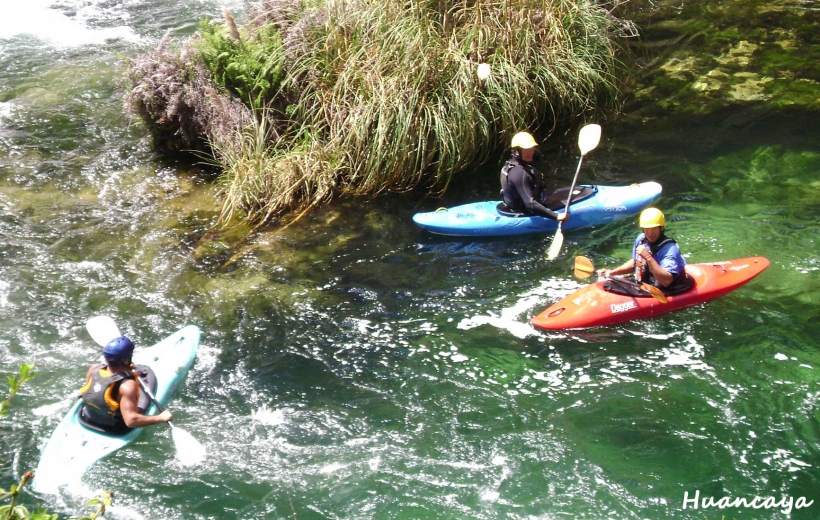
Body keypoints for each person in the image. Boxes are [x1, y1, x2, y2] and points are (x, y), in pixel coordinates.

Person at [79, 336, 172, 433]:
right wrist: (161, 418)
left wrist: (125, 369)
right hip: (113, 427)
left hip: (87, 417)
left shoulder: (94, 369)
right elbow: (131, 421)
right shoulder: (127, 386)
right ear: (125, 360)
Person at [597, 207, 692, 294]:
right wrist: (612, 272)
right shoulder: (641, 239)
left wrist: (648, 257)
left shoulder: (669, 249)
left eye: (654, 228)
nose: (650, 233)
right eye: (647, 229)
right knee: (609, 285)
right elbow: (635, 262)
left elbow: (666, 281)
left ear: (661, 228)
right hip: (647, 283)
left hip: (669, 289)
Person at [500, 131, 568, 221]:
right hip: (526, 210)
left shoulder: (513, 163)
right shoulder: (519, 173)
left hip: (515, 204)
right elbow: (530, 204)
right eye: (526, 150)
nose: (530, 152)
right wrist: (556, 216)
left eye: (532, 149)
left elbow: (539, 157)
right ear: (517, 151)